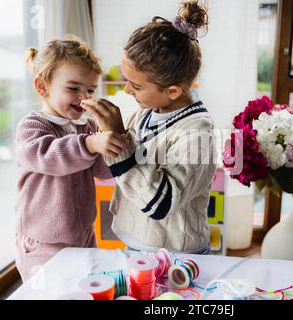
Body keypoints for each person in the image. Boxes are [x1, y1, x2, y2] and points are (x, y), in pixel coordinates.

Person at [81, 0, 217, 255]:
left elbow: (161, 203)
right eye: (126, 80)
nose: (126, 90)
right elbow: (118, 167)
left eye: (136, 86)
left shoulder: (198, 132)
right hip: (135, 244)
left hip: (177, 254)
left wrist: (120, 138)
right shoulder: (143, 113)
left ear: (173, 91)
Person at [15, 36, 126, 282]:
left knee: (85, 287)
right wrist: (89, 144)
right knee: (50, 293)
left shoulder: (87, 126)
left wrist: (111, 138)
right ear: (43, 87)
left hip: (83, 234)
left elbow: (103, 171)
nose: (83, 97)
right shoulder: (32, 126)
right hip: (43, 242)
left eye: (90, 90)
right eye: (73, 88)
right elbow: (48, 156)